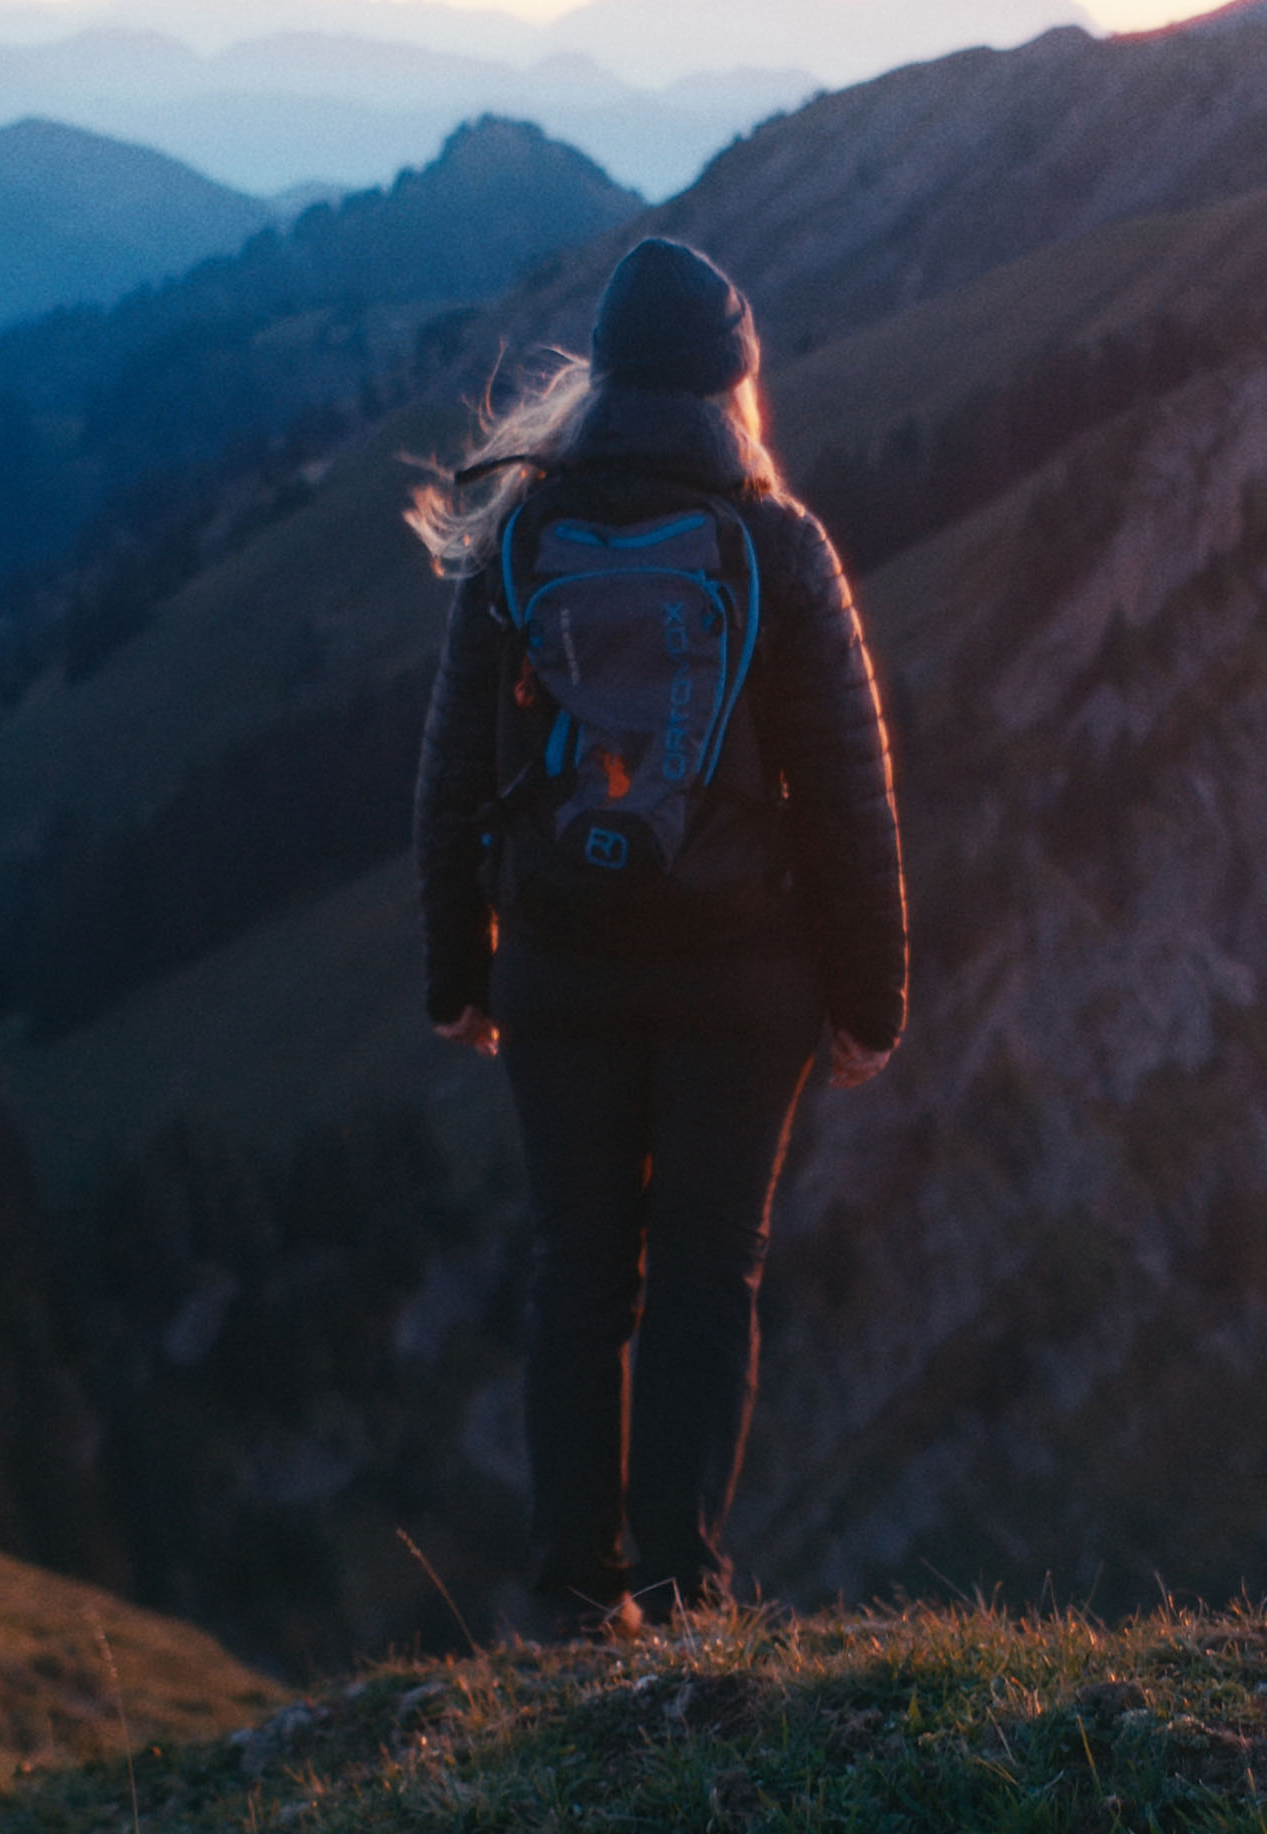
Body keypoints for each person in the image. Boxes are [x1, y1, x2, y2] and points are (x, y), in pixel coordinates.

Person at [410, 237, 907, 1639]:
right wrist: (869, 999)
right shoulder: (773, 542)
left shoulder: (519, 530)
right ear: (730, 388)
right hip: (742, 978)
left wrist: (458, 974)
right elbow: (847, 790)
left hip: (558, 965)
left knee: (578, 1266)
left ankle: (576, 1600)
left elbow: (451, 775)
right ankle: (686, 1593)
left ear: (606, 376)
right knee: (707, 1270)